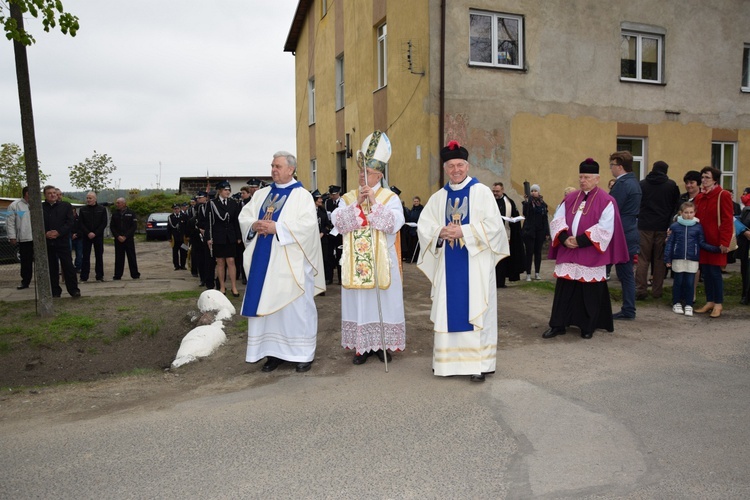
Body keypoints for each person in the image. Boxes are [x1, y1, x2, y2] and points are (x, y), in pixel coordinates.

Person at [417, 140, 509, 382]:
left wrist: (464, 232)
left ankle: (479, 364)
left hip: (475, 264)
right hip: (449, 266)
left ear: (467, 166)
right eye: (450, 166)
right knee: (449, 308)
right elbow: (424, 226)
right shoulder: (439, 197)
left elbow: (495, 228)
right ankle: (448, 364)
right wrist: (439, 232)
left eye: (460, 165)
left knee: (477, 310)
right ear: (445, 168)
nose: (455, 170)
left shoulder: (482, 193)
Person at [239, 151, 325, 373]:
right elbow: (244, 216)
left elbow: (308, 227)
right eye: (272, 166)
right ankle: (273, 353)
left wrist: (277, 228)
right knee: (269, 309)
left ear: (290, 169)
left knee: (296, 308)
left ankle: (303, 353)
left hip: (291, 263)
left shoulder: (302, 196)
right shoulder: (262, 194)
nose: (273, 170)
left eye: (278, 166)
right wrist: (254, 225)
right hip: (264, 263)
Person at [332, 131, 406, 365]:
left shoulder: (389, 197)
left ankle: (382, 345)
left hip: (383, 260)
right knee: (360, 303)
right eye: (360, 173)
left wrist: (373, 202)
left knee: (384, 301)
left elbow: (393, 224)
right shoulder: (347, 197)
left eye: (369, 173)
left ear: (379, 176)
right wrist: (358, 204)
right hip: (356, 262)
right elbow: (338, 223)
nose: (363, 178)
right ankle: (361, 347)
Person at [542, 158, 629, 340]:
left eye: (587, 177)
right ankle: (558, 324)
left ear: (597, 179)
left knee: (588, 292)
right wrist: (565, 238)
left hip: (590, 251)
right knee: (564, 290)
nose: (582, 180)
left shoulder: (607, 200)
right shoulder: (570, 198)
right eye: (581, 177)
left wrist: (580, 241)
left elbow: (605, 228)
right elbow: (557, 219)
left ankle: (587, 326)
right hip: (569, 250)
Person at [664, 202, 720, 316]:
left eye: (691, 212)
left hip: (692, 258)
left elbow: (701, 242)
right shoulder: (675, 226)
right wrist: (667, 259)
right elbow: (670, 243)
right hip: (678, 258)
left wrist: (716, 249)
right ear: (681, 213)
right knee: (678, 282)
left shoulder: (698, 227)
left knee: (690, 283)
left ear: (694, 213)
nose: (688, 215)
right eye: (686, 212)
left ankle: (689, 304)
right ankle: (676, 303)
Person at [636, 161, 680, 300]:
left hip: (644, 226)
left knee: (643, 259)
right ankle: (657, 291)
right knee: (660, 259)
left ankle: (640, 290)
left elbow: (638, 204)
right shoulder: (671, 185)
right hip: (663, 227)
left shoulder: (642, 184)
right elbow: (676, 205)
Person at [693, 166, 734, 318]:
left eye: (707, 177)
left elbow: (727, 219)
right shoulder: (700, 196)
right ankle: (710, 301)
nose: (703, 180)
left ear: (715, 180)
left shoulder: (722, 195)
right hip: (702, 240)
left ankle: (718, 303)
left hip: (716, 241)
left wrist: (724, 241)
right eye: (702, 177)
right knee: (707, 272)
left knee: (715, 272)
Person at [608, 151, 642, 320]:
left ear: (620, 167)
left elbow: (612, 209)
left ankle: (628, 309)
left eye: (612, 165)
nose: (611, 169)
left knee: (624, 273)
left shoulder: (622, 184)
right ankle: (629, 308)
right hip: (629, 230)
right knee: (626, 273)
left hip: (621, 233)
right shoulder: (634, 182)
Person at [41, 185, 81, 298]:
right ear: (45, 195)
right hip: (48, 242)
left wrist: (58, 232)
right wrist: (45, 233)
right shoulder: (41, 207)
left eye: (54, 193)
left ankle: (74, 290)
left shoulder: (66, 206)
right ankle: (55, 291)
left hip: (62, 241)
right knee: (51, 267)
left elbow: (70, 222)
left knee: (68, 266)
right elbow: (36, 223)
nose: (53, 195)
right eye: (49, 193)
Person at [206, 180, 242, 296]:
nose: (228, 192)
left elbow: (236, 221)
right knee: (220, 262)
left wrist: (238, 236)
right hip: (218, 236)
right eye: (225, 190)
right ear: (220, 191)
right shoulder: (212, 204)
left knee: (231, 261)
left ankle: (234, 287)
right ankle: (222, 286)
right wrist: (208, 237)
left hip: (230, 236)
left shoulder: (233, 203)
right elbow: (208, 222)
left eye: (229, 190)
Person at [492, 182, 524, 287]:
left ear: (503, 190)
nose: (495, 193)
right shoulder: (489, 201)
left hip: (506, 235)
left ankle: (500, 282)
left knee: (502, 260)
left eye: (497, 191)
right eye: (494, 191)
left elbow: (515, 217)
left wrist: (513, 220)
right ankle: (492, 282)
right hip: (491, 236)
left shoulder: (509, 203)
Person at [521, 183, 550, 281]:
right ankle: (528, 274)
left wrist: (547, 232)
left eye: (535, 191)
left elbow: (545, 219)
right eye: (532, 191)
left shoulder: (543, 204)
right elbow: (525, 213)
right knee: (529, 252)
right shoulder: (528, 203)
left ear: (539, 192)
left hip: (540, 231)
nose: (534, 193)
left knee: (538, 252)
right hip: (530, 231)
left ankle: (537, 273)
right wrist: (526, 201)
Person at [78, 191, 108, 282]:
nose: (88, 200)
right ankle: (84, 277)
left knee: (99, 256)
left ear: (95, 199)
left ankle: (99, 276)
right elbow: (81, 223)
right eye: (87, 198)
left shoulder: (102, 209)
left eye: (90, 198)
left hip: (98, 236)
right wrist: (88, 233)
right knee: (85, 256)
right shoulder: (83, 209)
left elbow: (104, 223)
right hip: (86, 236)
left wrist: (95, 233)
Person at [7, 186, 33, 290]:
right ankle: (25, 282)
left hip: (39, 238)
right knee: (26, 261)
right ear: (27, 193)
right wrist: (12, 236)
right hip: (24, 238)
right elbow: (10, 222)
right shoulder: (14, 205)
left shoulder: (38, 204)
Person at [110, 197, 140, 280]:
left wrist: (126, 236)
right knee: (119, 258)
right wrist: (118, 236)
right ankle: (117, 275)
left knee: (131, 257)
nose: (117, 204)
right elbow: (112, 226)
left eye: (118, 203)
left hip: (128, 239)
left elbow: (133, 226)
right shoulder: (115, 214)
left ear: (124, 203)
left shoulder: (131, 213)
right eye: (117, 203)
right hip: (118, 239)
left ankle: (135, 274)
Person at [324, 185, 344, 284]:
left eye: (334, 195)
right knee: (329, 255)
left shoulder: (343, 202)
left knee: (340, 255)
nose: (332, 197)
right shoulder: (328, 202)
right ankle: (329, 277)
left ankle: (341, 278)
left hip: (340, 232)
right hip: (331, 232)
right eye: (331, 195)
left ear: (338, 194)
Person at [167, 203, 188, 271]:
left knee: (184, 252)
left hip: (183, 238)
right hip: (175, 238)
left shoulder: (184, 216)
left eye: (177, 208)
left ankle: (183, 265)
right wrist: (169, 237)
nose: (176, 210)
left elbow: (187, 227)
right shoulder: (170, 217)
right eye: (175, 209)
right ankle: (176, 266)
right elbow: (169, 228)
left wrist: (187, 236)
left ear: (180, 209)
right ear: (173, 209)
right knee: (175, 253)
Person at [405, 196, 423, 263]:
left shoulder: (421, 209)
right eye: (415, 201)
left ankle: (416, 258)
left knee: (416, 244)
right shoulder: (412, 209)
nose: (416, 203)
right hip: (411, 229)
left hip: (417, 229)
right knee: (411, 244)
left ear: (419, 202)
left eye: (417, 201)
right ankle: (411, 257)